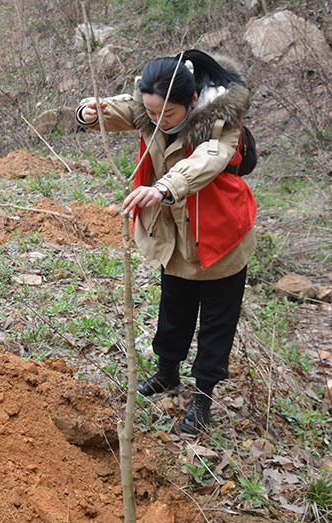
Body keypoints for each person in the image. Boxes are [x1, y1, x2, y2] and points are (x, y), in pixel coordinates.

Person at [76, 50, 256, 434]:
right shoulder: (151, 106)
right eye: (151, 113)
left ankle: (203, 398)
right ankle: (166, 375)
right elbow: (119, 109)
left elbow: (208, 159)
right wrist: (91, 112)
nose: (157, 122)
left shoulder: (222, 121)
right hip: (175, 235)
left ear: (191, 102)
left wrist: (164, 186)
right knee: (173, 311)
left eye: (167, 116)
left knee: (215, 325)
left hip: (219, 234)